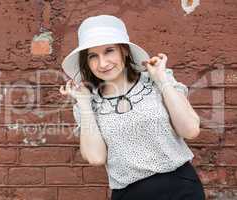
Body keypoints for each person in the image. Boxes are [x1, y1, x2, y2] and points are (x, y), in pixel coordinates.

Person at [59, 15, 205, 200]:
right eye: (93, 56)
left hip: (181, 188)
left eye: (109, 51)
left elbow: (190, 130)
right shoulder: (88, 101)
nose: (102, 63)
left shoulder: (156, 80)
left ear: (124, 51)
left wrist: (162, 81)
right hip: (129, 194)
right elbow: (96, 158)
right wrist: (85, 103)